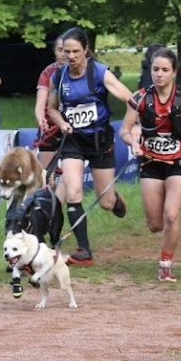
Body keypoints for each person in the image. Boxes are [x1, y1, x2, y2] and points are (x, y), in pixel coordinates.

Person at [119, 47, 181, 282]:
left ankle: (165, 264)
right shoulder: (140, 98)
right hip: (151, 162)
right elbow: (125, 130)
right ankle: (165, 240)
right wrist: (133, 141)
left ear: (174, 72)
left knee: (171, 215)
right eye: (155, 69)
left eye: (165, 70)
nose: (159, 74)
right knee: (155, 224)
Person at [45, 26, 132, 265]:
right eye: (65, 51)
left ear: (86, 50)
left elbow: (130, 99)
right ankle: (84, 251)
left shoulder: (100, 73)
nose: (70, 56)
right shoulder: (58, 76)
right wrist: (62, 122)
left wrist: (132, 127)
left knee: (106, 203)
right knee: (73, 192)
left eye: (75, 51)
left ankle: (114, 199)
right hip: (73, 140)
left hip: (99, 140)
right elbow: (52, 108)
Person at [33, 36, 66, 170]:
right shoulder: (48, 72)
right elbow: (40, 105)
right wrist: (41, 119)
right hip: (50, 126)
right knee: (45, 173)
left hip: (73, 124)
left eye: (67, 50)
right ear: (55, 52)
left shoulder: (82, 71)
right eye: (60, 50)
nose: (64, 54)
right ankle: (47, 189)